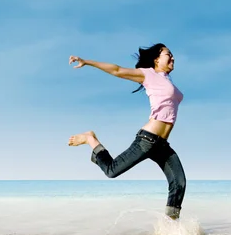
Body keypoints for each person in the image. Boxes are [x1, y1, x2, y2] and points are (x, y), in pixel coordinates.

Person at [67, 43, 186, 220]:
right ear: (156, 59)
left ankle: (171, 226)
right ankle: (90, 139)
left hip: (162, 144)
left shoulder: (167, 80)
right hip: (148, 140)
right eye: (169, 54)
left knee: (179, 183)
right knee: (111, 171)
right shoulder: (148, 75)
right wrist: (87, 62)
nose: (173, 57)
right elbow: (116, 70)